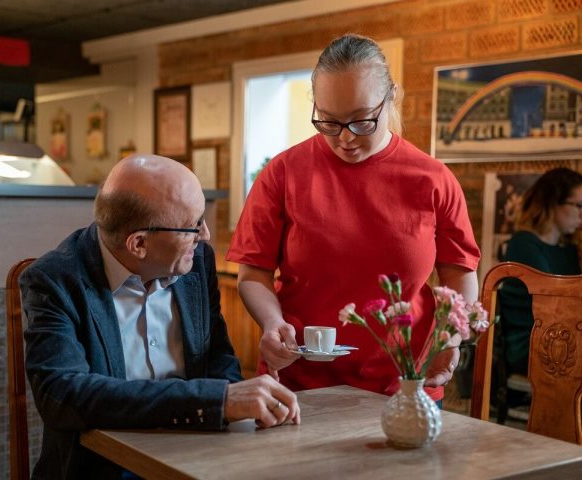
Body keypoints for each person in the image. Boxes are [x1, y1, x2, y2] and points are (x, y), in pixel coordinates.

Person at [226, 34, 481, 402]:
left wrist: (450, 337)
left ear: (390, 97)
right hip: (300, 385)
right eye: (328, 121)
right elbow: (253, 274)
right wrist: (271, 323)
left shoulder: (433, 179)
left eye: (362, 121)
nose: (345, 138)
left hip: (403, 386)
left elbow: (459, 274)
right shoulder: (283, 173)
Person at [20, 154, 300, 479]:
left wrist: (243, 410)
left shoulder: (196, 262)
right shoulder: (55, 279)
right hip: (101, 468)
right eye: (193, 225)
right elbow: (64, 395)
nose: (206, 234)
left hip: (199, 457)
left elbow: (216, 356)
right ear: (139, 243)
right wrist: (214, 401)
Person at [498, 167, 582, 377]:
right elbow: (557, 305)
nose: (581, 213)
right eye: (579, 205)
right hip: (533, 344)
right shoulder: (524, 244)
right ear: (553, 203)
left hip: (562, 338)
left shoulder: (568, 250)